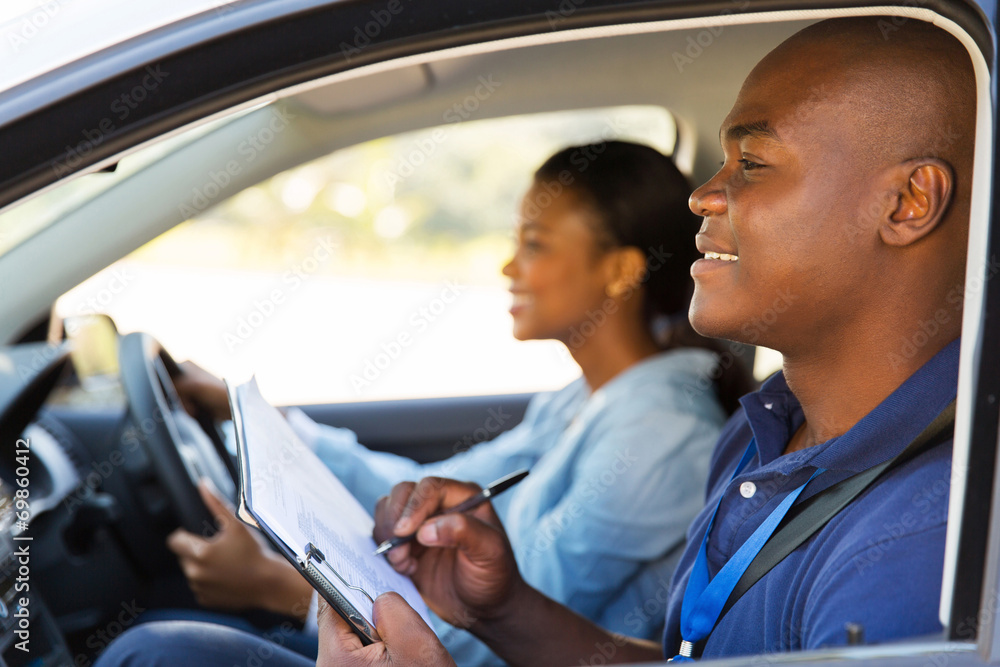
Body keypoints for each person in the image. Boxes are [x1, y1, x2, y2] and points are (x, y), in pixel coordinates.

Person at [97, 14, 974, 666]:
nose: (706, 195)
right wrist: (505, 607)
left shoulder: (912, 550)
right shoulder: (766, 433)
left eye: (751, 162)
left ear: (907, 203)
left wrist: (285, 590)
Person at [151, 141, 751, 664]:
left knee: (159, 652)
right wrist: (274, 425)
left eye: (536, 245)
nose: (509, 265)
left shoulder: (661, 436)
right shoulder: (588, 399)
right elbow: (426, 486)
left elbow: (496, 630)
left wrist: (273, 587)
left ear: (620, 271)